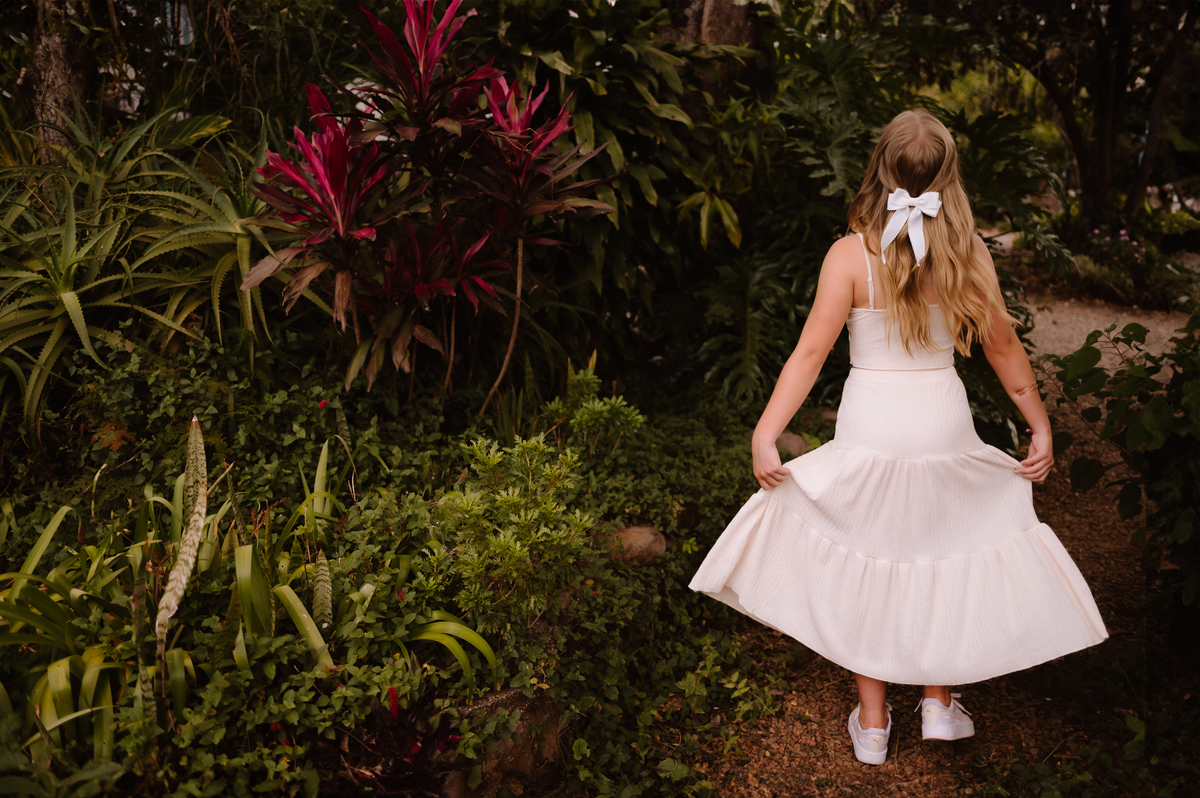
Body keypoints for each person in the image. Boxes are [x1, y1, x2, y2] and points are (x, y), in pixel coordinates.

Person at [688, 109, 1108, 766]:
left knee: (871, 549)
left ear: (880, 171)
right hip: (939, 414)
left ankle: (876, 721)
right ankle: (938, 702)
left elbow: (809, 353)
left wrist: (767, 432)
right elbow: (1003, 347)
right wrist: (1039, 423)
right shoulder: (968, 255)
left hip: (872, 418)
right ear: (949, 178)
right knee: (942, 546)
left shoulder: (850, 255)